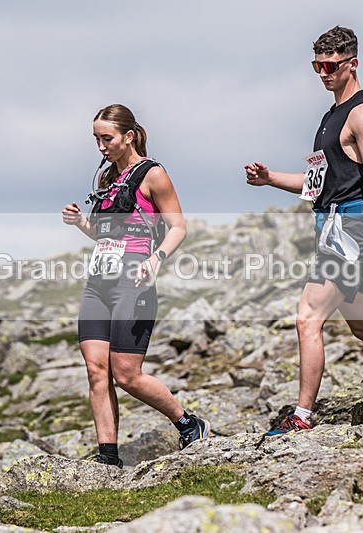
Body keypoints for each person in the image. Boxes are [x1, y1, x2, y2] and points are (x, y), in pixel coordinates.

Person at [244, 26, 363, 435]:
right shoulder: (330, 116)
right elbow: (316, 183)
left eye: (330, 65)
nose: (323, 73)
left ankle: (302, 417)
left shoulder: (362, 114)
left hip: (352, 228)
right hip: (332, 224)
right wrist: (271, 178)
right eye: (316, 65)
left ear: (352, 64)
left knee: (308, 318)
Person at [63, 104, 209, 466]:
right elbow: (103, 233)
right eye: (96, 139)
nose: (101, 146)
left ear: (128, 136)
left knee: (126, 374)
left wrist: (156, 258)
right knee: (96, 370)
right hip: (99, 281)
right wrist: (81, 222)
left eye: (107, 138)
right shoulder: (105, 179)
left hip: (135, 281)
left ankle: (188, 422)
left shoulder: (153, 174)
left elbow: (179, 227)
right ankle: (108, 457)